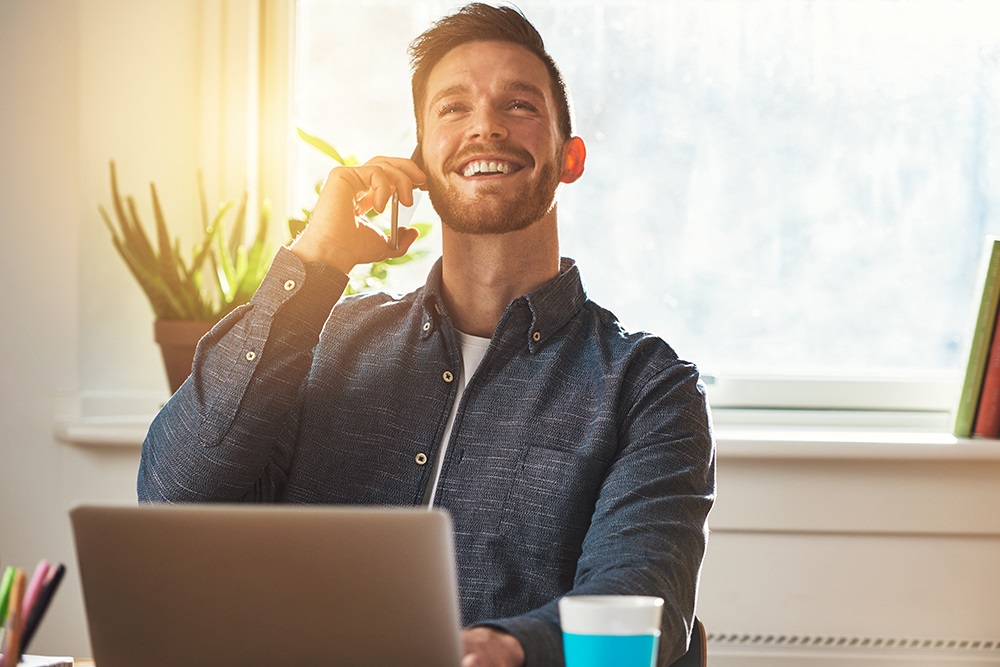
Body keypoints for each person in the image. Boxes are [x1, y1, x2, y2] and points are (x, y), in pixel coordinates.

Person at [137, 4, 716, 666]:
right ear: (419, 161)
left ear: (569, 158)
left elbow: (639, 604)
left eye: (519, 105)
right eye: (453, 109)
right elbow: (172, 497)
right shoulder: (328, 346)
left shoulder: (648, 388)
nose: (487, 126)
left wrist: (504, 646)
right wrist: (319, 259)